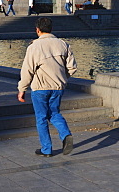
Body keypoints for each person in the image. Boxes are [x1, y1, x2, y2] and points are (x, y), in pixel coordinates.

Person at [17, 17, 76, 157]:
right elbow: (72, 68)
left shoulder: (34, 47)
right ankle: (66, 134)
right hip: (58, 87)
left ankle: (46, 149)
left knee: (41, 118)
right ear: (51, 29)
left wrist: (22, 89)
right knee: (54, 113)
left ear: (37, 30)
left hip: (40, 87)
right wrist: (62, 79)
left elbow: (27, 70)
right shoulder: (63, 44)